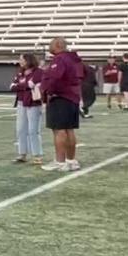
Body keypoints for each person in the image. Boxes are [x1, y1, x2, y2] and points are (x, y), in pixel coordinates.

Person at [40, 37, 82, 171]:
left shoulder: (60, 59)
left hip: (61, 97)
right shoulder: (71, 58)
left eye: (50, 43)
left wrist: (48, 91)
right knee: (69, 129)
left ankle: (60, 162)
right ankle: (71, 160)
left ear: (58, 45)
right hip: (72, 97)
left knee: (59, 130)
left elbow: (55, 78)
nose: (49, 46)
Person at [9, 54, 44, 165]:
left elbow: (34, 85)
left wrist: (22, 85)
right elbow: (12, 87)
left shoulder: (38, 72)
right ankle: (22, 154)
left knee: (33, 130)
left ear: (28, 60)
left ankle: (37, 155)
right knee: (20, 129)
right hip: (21, 102)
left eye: (22, 59)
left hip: (33, 103)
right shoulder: (20, 72)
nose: (20, 61)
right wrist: (25, 86)